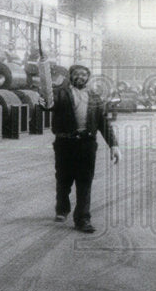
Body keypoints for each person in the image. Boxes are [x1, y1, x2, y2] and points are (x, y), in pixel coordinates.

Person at [40, 63, 121, 233]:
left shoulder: (95, 98)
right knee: (63, 179)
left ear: (88, 78)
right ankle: (62, 208)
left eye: (84, 74)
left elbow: (103, 123)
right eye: (76, 74)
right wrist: (44, 98)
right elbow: (48, 104)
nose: (80, 77)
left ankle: (83, 219)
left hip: (87, 145)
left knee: (85, 181)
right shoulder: (60, 94)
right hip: (65, 144)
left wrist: (114, 145)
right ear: (71, 76)